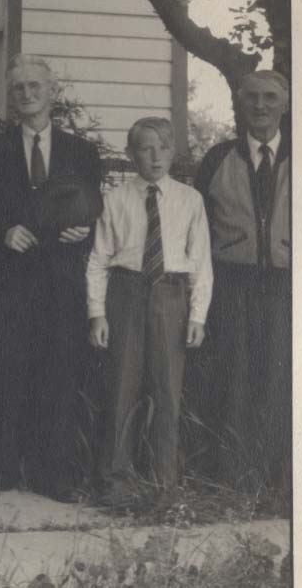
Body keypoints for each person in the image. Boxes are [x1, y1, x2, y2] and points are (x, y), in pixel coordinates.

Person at [0, 54, 102, 501]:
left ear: (52, 92)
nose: (27, 94)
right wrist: (3, 232)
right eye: (18, 87)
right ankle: (1, 468)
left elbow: (95, 213)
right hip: (11, 279)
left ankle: (54, 473)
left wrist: (84, 232)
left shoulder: (82, 152)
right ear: (10, 97)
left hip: (61, 280)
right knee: (5, 371)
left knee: (59, 373)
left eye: (35, 86)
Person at [87, 117, 211, 506]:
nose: (156, 157)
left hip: (170, 295)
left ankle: (164, 483)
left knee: (167, 390)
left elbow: (201, 262)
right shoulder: (116, 199)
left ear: (174, 152)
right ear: (130, 153)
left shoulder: (190, 200)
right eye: (146, 148)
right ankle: (115, 481)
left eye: (163, 148)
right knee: (121, 386)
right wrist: (97, 313)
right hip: (126, 293)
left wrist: (197, 315)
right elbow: (98, 259)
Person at [194, 69, 290, 499]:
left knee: (283, 377)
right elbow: (198, 227)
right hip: (233, 283)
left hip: (288, 285)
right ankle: (234, 477)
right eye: (251, 97)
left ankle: (284, 479)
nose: (260, 105)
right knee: (235, 378)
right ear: (238, 102)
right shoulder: (218, 158)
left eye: (270, 97)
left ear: (285, 103)